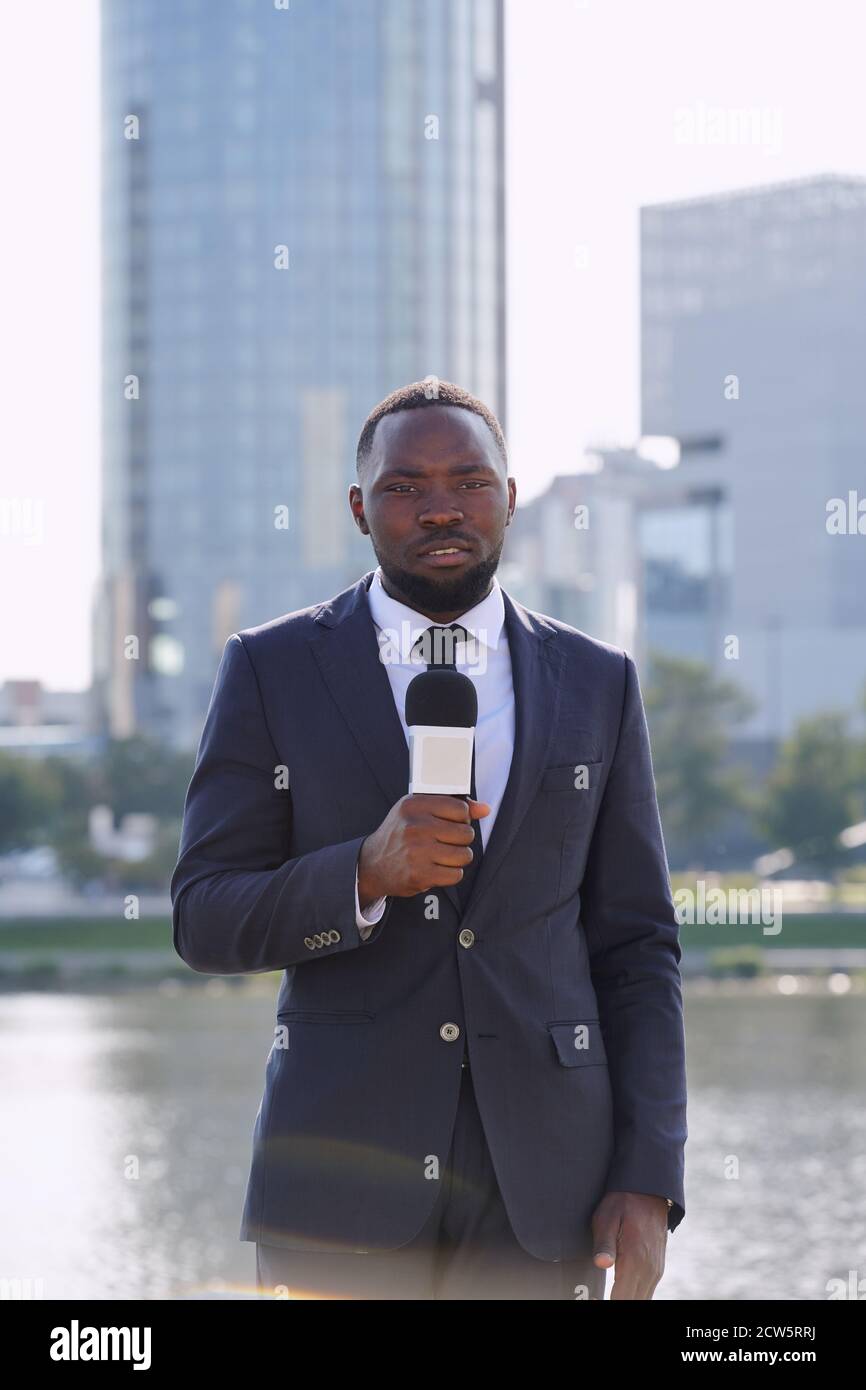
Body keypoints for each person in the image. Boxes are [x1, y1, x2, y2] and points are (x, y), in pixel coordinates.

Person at [170, 378, 687, 1300]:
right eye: (406, 487)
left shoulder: (597, 681)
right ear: (361, 508)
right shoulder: (271, 668)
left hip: (547, 1198)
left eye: (469, 481)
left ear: (511, 497)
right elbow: (204, 917)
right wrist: (361, 875)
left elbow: (639, 947)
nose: (441, 507)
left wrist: (648, 1178)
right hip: (337, 1188)